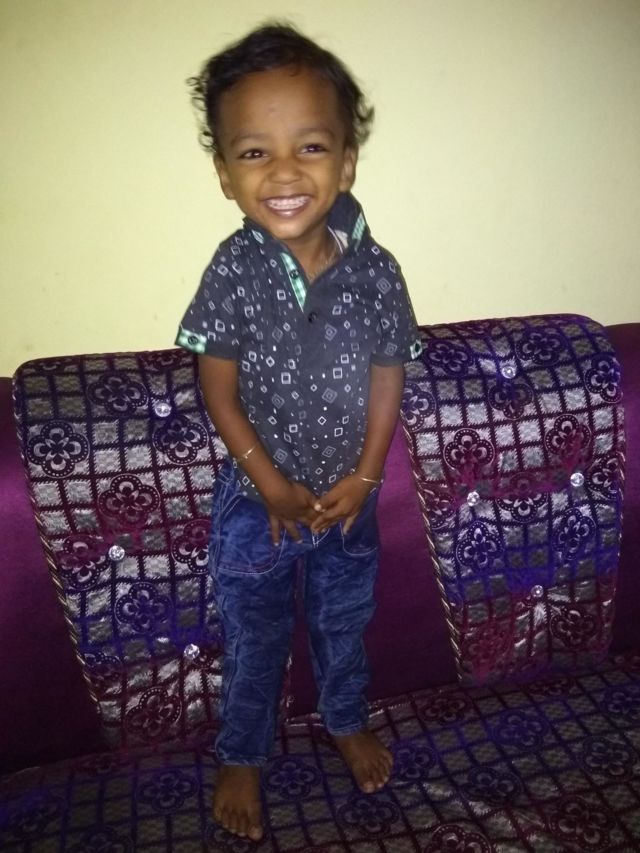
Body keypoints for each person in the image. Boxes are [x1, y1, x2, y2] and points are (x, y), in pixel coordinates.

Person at [176, 23, 422, 841]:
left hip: (349, 501)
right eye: (254, 152)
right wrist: (272, 485)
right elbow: (218, 388)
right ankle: (243, 751)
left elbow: (388, 372)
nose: (284, 171)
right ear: (225, 173)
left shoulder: (378, 270)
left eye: (310, 146)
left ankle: (345, 718)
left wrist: (367, 475)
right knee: (257, 635)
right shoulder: (233, 268)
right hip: (260, 504)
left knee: (343, 622)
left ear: (345, 161)